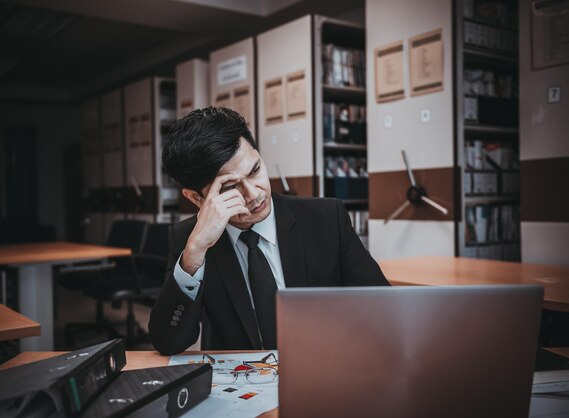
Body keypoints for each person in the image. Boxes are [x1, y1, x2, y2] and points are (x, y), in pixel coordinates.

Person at [148, 107, 389, 355]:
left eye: (255, 171)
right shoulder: (188, 240)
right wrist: (195, 253)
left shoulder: (326, 219)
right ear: (196, 198)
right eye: (230, 188)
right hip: (240, 383)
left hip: (323, 368)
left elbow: (384, 308)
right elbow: (168, 343)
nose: (254, 194)